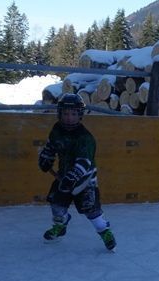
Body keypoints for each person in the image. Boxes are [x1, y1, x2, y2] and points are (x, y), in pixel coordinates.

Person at [38, 93, 116, 251]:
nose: (69, 118)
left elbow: (84, 162)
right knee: (56, 206)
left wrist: (72, 177)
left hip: (85, 182)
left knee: (92, 212)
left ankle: (105, 231)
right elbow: (52, 146)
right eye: (66, 113)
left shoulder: (85, 138)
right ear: (60, 113)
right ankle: (61, 225)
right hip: (63, 178)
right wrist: (46, 157)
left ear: (80, 115)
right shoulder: (56, 130)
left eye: (73, 114)